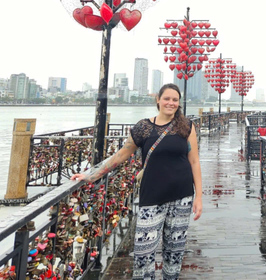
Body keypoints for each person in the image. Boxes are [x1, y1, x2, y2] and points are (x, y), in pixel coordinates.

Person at [71, 83, 202, 280]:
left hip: (181, 195)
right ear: (158, 100)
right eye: (167, 98)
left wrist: (199, 196)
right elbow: (121, 155)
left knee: (174, 252)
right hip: (152, 196)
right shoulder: (143, 127)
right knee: (143, 251)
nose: (171, 103)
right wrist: (91, 175)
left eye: (175, 100)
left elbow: (194, 161)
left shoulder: (187, 127)